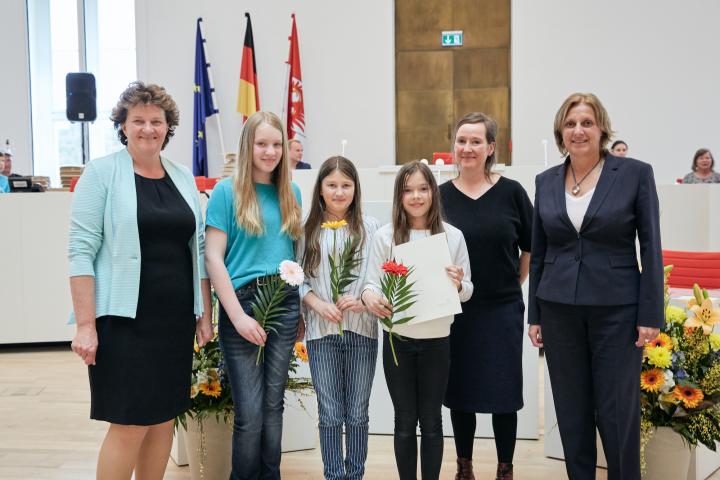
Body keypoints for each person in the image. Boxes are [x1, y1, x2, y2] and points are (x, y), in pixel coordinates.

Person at [68, 81, 213, 480]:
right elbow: (80, 251)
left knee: (164, 418)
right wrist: (85, 325)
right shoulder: (100, 174)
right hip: (123, 322)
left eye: (156, 121)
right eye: (138, 121)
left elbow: (198, 250)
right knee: (130, 423)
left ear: (169, 127)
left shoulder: (183, 177)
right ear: (123, 126)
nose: (148, 128)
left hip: (173, 321)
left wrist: (204, 313)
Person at [528, 92, 663, 480]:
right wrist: (535, 314)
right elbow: (539, 252)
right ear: (560, 131)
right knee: (571, 410)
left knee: (617, 411)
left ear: (602, 128)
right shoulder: (546, 180)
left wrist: (649, 313)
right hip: (558, 309)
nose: (578, 130)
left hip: (617, 310)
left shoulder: (635, 173)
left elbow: (651, 244)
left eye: (587, 122)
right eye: (570, 124)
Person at [204, 111, 303, 479]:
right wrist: (237, 316)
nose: (270, 151)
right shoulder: (226, 192)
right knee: (249, 413)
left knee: (274, 407)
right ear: (248, 146)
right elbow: (213, 257)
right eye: (262, 144)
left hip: (285, 300)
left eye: (276, 144)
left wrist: (299, 311)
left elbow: (294, 254)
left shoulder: (290, 192)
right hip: (242, 301)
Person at [362, 160, 473, 480]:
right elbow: (370, 283)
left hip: (437, 338)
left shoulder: (452, 237)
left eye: (423, 189)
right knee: (404, 420)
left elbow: (468, 290)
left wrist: (457, 283)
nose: (416, 196)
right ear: (399, 196)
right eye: (408, 190)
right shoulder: (385, 237)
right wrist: (371, 297)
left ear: (433, 193)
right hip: (397, 339)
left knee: (432, 420)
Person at [441, 112, 532, 480]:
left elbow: (530, 247)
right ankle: (465, 468)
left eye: (476, 141)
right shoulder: (440, 196)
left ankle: (504, 468)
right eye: (462, 141)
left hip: (501, 308)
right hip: (457, 310)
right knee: (460, 390)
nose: (468, 148)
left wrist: (514, 283)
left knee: (503, 393)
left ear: (490, 148)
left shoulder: (512, 193)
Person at [297, 156, 380, 480]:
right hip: (322, 335)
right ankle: (334, 475)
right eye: (332, 185)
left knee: (357, 413)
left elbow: (377, 276)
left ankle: (355, 475)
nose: (339, 191)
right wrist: (317, 303)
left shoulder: (370, 228)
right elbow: (297, 278)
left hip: (362, 333)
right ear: (320, 189)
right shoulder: (308, 230)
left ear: (356, 189)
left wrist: (363, 299)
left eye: (346, 185)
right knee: (330, 413)